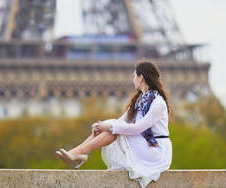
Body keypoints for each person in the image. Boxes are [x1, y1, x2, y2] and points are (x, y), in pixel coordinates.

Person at [56, 60, 173, 188]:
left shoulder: (158, 103)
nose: (133, 79)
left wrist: (110, 127)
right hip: (144, 143)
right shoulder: (141, 100)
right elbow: (120, 122)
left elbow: (137, 128)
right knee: (112, 127)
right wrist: (101, 126)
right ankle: (78, 153)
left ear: (141, 78)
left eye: (134, 76)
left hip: (155, 149)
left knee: (114, 129)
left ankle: (79, 153)